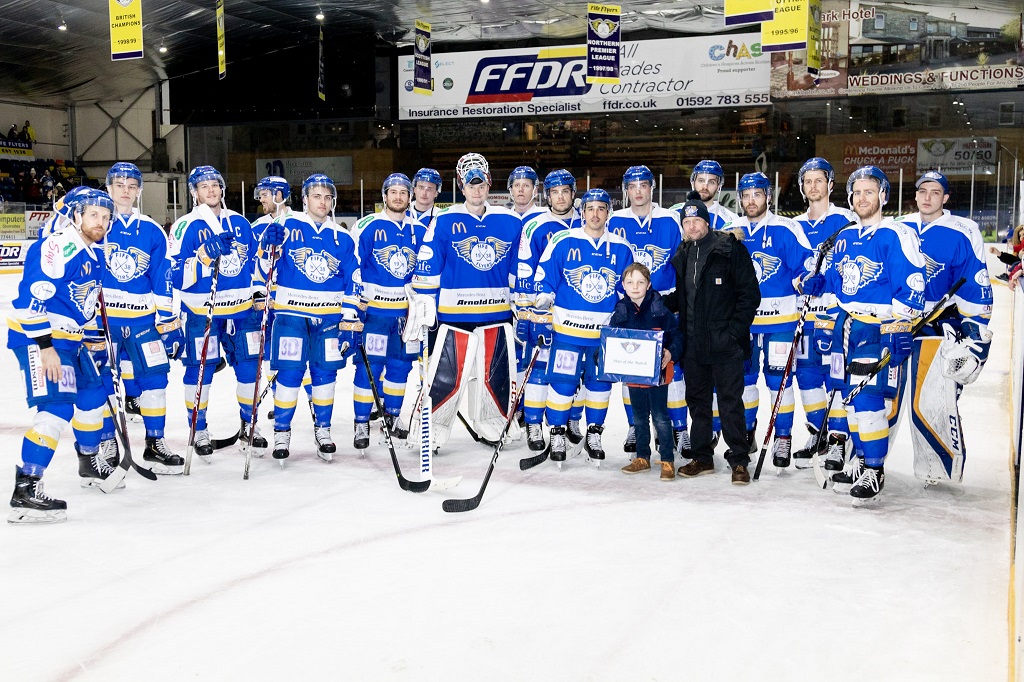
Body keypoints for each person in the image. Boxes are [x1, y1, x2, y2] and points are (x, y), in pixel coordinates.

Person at [803, 166, 926, 503]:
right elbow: (835, 284)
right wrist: (820, 287)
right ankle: (859, 458)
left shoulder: (896, 235)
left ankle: (874, 469)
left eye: (869, 191)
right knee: (847, 397)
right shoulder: (844, 237)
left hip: (877, 327)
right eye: (856, 192)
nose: (861, 198)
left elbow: (912, 284)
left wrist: (899, 327)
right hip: (847, 325)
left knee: (868, 399)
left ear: (883, 196)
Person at [7, 189, 117, 523]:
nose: (101, 222)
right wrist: (45, 349)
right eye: (93, 215)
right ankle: (26, 488)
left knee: (93, 395)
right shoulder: (58, 246)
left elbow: (82, 306)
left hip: (72, 341)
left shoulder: (93, 253)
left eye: (105, 216)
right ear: (76, 216)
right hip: (42, 339)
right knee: (56, 408)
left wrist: (95, 339)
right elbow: (32, 300)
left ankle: (88, 461)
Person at [409, 153, 523, 451]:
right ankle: (431, 427)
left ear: (489, 184)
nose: (476, 190)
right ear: (461, 186)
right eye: (470, 184)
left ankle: (492, 421)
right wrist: (424, 304)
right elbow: (428, 264)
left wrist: (522, 305)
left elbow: (517, 268)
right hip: (454, 313)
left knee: (495, 374)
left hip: (496, 313)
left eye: (481, 183)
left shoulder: (510, 221)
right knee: (447, 374)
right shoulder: (444, 220)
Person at [897, 170, 993, 484]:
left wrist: (975, 335)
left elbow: (975, 285)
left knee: (930, 399)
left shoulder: (964, 231)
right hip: (897, 324)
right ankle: (869, 459)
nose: (927, 197)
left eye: (935, 192)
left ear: (946, 197)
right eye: (922, 190)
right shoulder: (899, 228)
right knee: (883, 396)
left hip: (938, 326)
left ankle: (935, 468)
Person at [260, 173, 361, 462]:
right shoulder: (286, 225)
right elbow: (265, 268)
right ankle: (282, 431)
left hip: (328, 319)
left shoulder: (342, 236)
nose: (323, 201)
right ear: (304, 199)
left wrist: (348, 318)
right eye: (317, 196)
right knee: (290, 374)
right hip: (291, 315)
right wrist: (268, 247)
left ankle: (323, 430)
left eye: (328, 197)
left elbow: (352, 280)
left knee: (324, 375)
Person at [169, 165, 267, 459]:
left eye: (215, 185)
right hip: (203, 312)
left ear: (222, 189)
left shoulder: (240, 223)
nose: (211, 190)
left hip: (242, 312)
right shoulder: (185, 226)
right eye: (204, 186)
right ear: (194, 192)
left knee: (250, 370)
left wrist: (269, 253)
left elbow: (256, 264)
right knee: (201, 372)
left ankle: (250, 425)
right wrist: (203, 255)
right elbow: (174, 275)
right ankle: (198, 429)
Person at [534, 188, 634, 465]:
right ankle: (556, 432)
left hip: (603, 337)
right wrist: (539, 311)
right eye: (590, 209)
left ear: (608, 213)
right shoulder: (563, 242)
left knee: (599, 386)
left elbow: (629, 290)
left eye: (601, 208)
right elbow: (545, 281)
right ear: (582, 212)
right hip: (568, 332)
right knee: (563, 384)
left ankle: (594, 434)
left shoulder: (622, 248)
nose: (595, 214)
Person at [669, 192, 760, 485]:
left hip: (725, 343)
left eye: (697, 220)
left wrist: (734, 332)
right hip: (694, 343)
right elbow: (683, 299)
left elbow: (750, 295)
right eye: (687, 221)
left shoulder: (728, 249)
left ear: (707, 222)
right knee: (697, 402)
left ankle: (739, 460)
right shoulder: (683, 254)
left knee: (730, 402)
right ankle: (702, 457)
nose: (692, 226)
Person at [99, 162, 184, 474]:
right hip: (103, 322)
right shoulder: (95, 223)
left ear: (138, 191)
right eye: (119, 184)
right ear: (107, 188)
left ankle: (155, 442)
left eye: (131, 185)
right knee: (104, 383)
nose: (125, 190)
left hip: (142, 321)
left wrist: (169, 322)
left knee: (155, 380)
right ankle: (107, 442)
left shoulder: (150, 229)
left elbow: (162, 278)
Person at [732, 172, 813, 468]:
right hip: (745, 324)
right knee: (745, 381)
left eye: (757, 194)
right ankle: (747, 430)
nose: (751, 201)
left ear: (768, 196)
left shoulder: (786, 228)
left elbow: (805, 265)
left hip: (781, 320)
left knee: (780, 382)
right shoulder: (732, 230)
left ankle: (783, 437)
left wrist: (808, 278)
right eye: (746, 195)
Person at [607, 165, 688, 458]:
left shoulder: (669, 220)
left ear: (652, 188)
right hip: (630, 305)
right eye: (632, 186)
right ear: (626, 190)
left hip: (663, 304)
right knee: (633, 368)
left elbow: (683, 262)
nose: (638, 191)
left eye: (643, 185)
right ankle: (635, 426)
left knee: (671, 369)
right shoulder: (615, 220)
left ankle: (680, 428)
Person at [791, 157, 858, 466]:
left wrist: (831, 281)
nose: (813, 186)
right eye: (808, 181)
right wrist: (798, 281)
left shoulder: (847, 220)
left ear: (831, 184)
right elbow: (790, 268)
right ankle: (819, 432)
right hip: (804, 315)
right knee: (807, 378)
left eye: (819, 180)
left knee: (836, 379)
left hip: (835, 316)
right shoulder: (794, 225)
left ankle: (838, 441)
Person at [351, 173, 424, 449]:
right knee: (368, 367)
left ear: (410, 197)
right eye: (392, 192)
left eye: (403, 192)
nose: (398, 197)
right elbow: (354, 268)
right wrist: (356, 307)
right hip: (376, 314)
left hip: (405, 316)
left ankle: (391, 417)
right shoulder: (367, 226)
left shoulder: (418, 230)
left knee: (400, 366)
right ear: (384, 196)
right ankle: (361, 422)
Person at [514, 169, 584, 451]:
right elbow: (524, 270)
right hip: (543, 313)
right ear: (547, 195)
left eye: (565, 191)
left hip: (577, 314)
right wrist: (525, 313)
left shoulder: (586, 222)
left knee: (573, 369)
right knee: (540, 368)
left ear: (573, 194)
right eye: (555, 192)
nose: (560, 197)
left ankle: (570, 420)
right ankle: (533, 422)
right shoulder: (535, 225)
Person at [612, 263, 683, 480]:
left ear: (649, 284)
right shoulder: (620, 310)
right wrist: (604, 355)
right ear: (623, 285)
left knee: (661, 416)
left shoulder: (660, 309)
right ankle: (642, 457)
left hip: (658, 375)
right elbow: (611, 338)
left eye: (640, 282)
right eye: (630, 282)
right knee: (639, 417)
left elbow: (677, 336)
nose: (635, 287)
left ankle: (668, 460)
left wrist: (670, 353)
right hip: (634, 377)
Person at [670, 159, 740, 230]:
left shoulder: (730, 220)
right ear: (693, 183)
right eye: (701, 181)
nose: (705, 187)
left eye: (711, 182)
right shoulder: (675, 213)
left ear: (719, 186)